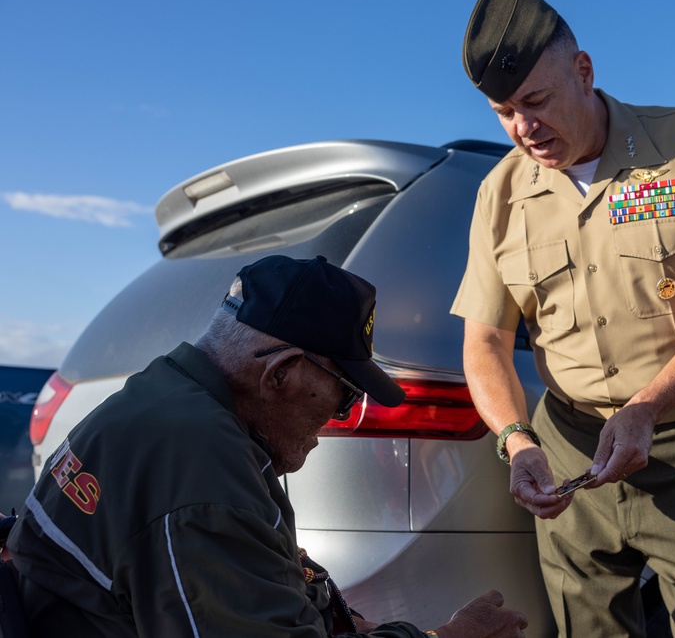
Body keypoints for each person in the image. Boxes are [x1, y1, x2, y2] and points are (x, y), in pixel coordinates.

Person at [451, 0, 675, 636]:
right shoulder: (499, 194)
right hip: (569, 453)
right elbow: (485, 342)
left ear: (583, 71)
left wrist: (646, 406)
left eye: (536, 100)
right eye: (503, 113)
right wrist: (518, 443)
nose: (524, 128)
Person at [8, 255, 529, 638]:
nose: (335, 420)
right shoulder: (203, 474)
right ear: (280, 374)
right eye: (344, 396)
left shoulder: (166, 401)